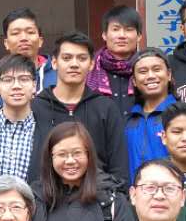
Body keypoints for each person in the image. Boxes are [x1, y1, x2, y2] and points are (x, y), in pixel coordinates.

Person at [32, 31, 129, 190]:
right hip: (47, 197)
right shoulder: (35, 107)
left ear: (91, 64)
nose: (74, 64)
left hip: (96, 197)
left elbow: (119, 167)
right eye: (67, 58)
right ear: (54, 63)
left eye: (82, 58)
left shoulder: (106, 108)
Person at [0, 54, 57, 186]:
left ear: (34, 86)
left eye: (24, 79)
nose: (16, 86)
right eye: (8, 80)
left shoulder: (51, 131)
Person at [0, 8, 57, 116]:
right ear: (6, 43)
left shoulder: (60, 77)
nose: (24, 38)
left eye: (30, 32)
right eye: (15, 33)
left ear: (40, 41)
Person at [124, 48, 178, 183]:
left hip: (173, 192)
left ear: (169, 75)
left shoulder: (183, 115)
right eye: (143, 72)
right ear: (134, 81)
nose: (150, 76)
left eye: (156, 69)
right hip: (134, 193)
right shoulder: (127, 120)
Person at [86, 6, 142, 99]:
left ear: (139, 36)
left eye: (128, 29)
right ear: (104, 35)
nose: (122, 35)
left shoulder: (145, 67)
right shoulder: (89, 67)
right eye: (116, 29)